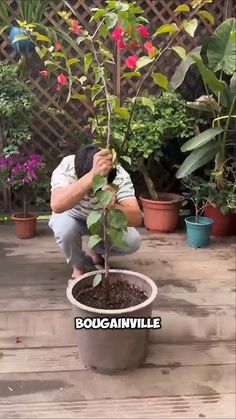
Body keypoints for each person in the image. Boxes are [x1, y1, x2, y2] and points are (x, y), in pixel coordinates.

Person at [49, 144, 142, 280]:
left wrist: (112, 205)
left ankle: (97, 249)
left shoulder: (118, 174)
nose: (92, 192)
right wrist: (92, 176)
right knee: (65, 229)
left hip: (102, 220)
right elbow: (57, 204)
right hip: (72, 215)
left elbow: (136, 218)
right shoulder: (68, 166)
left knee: (132, 241)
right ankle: (78, 267)